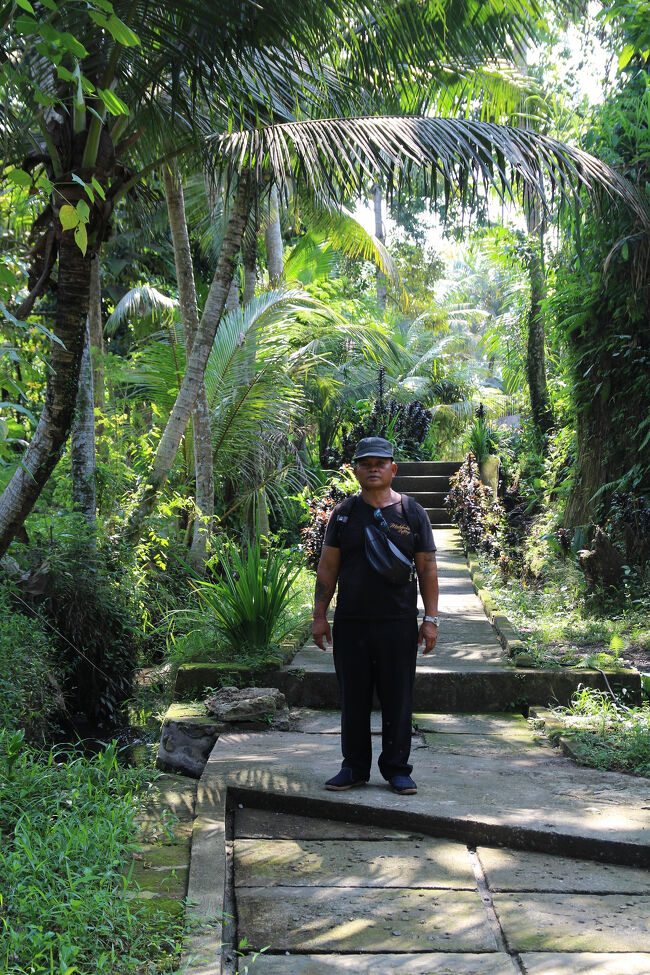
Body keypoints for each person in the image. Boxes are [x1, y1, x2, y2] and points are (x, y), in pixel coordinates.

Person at [312, 436, 439, 796]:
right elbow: (327, 568)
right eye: (365, 463)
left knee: (398, 697)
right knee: (353, 698)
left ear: (392, 469)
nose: (372, 469)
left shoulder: (412, 513)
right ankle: (353, 767)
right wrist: (319, 615)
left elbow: (427, 569)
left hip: (398, 623)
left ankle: (397, 769)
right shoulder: (344, 514)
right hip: (351, 622)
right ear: (354, 469)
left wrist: (431, 619)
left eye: (379, 463)